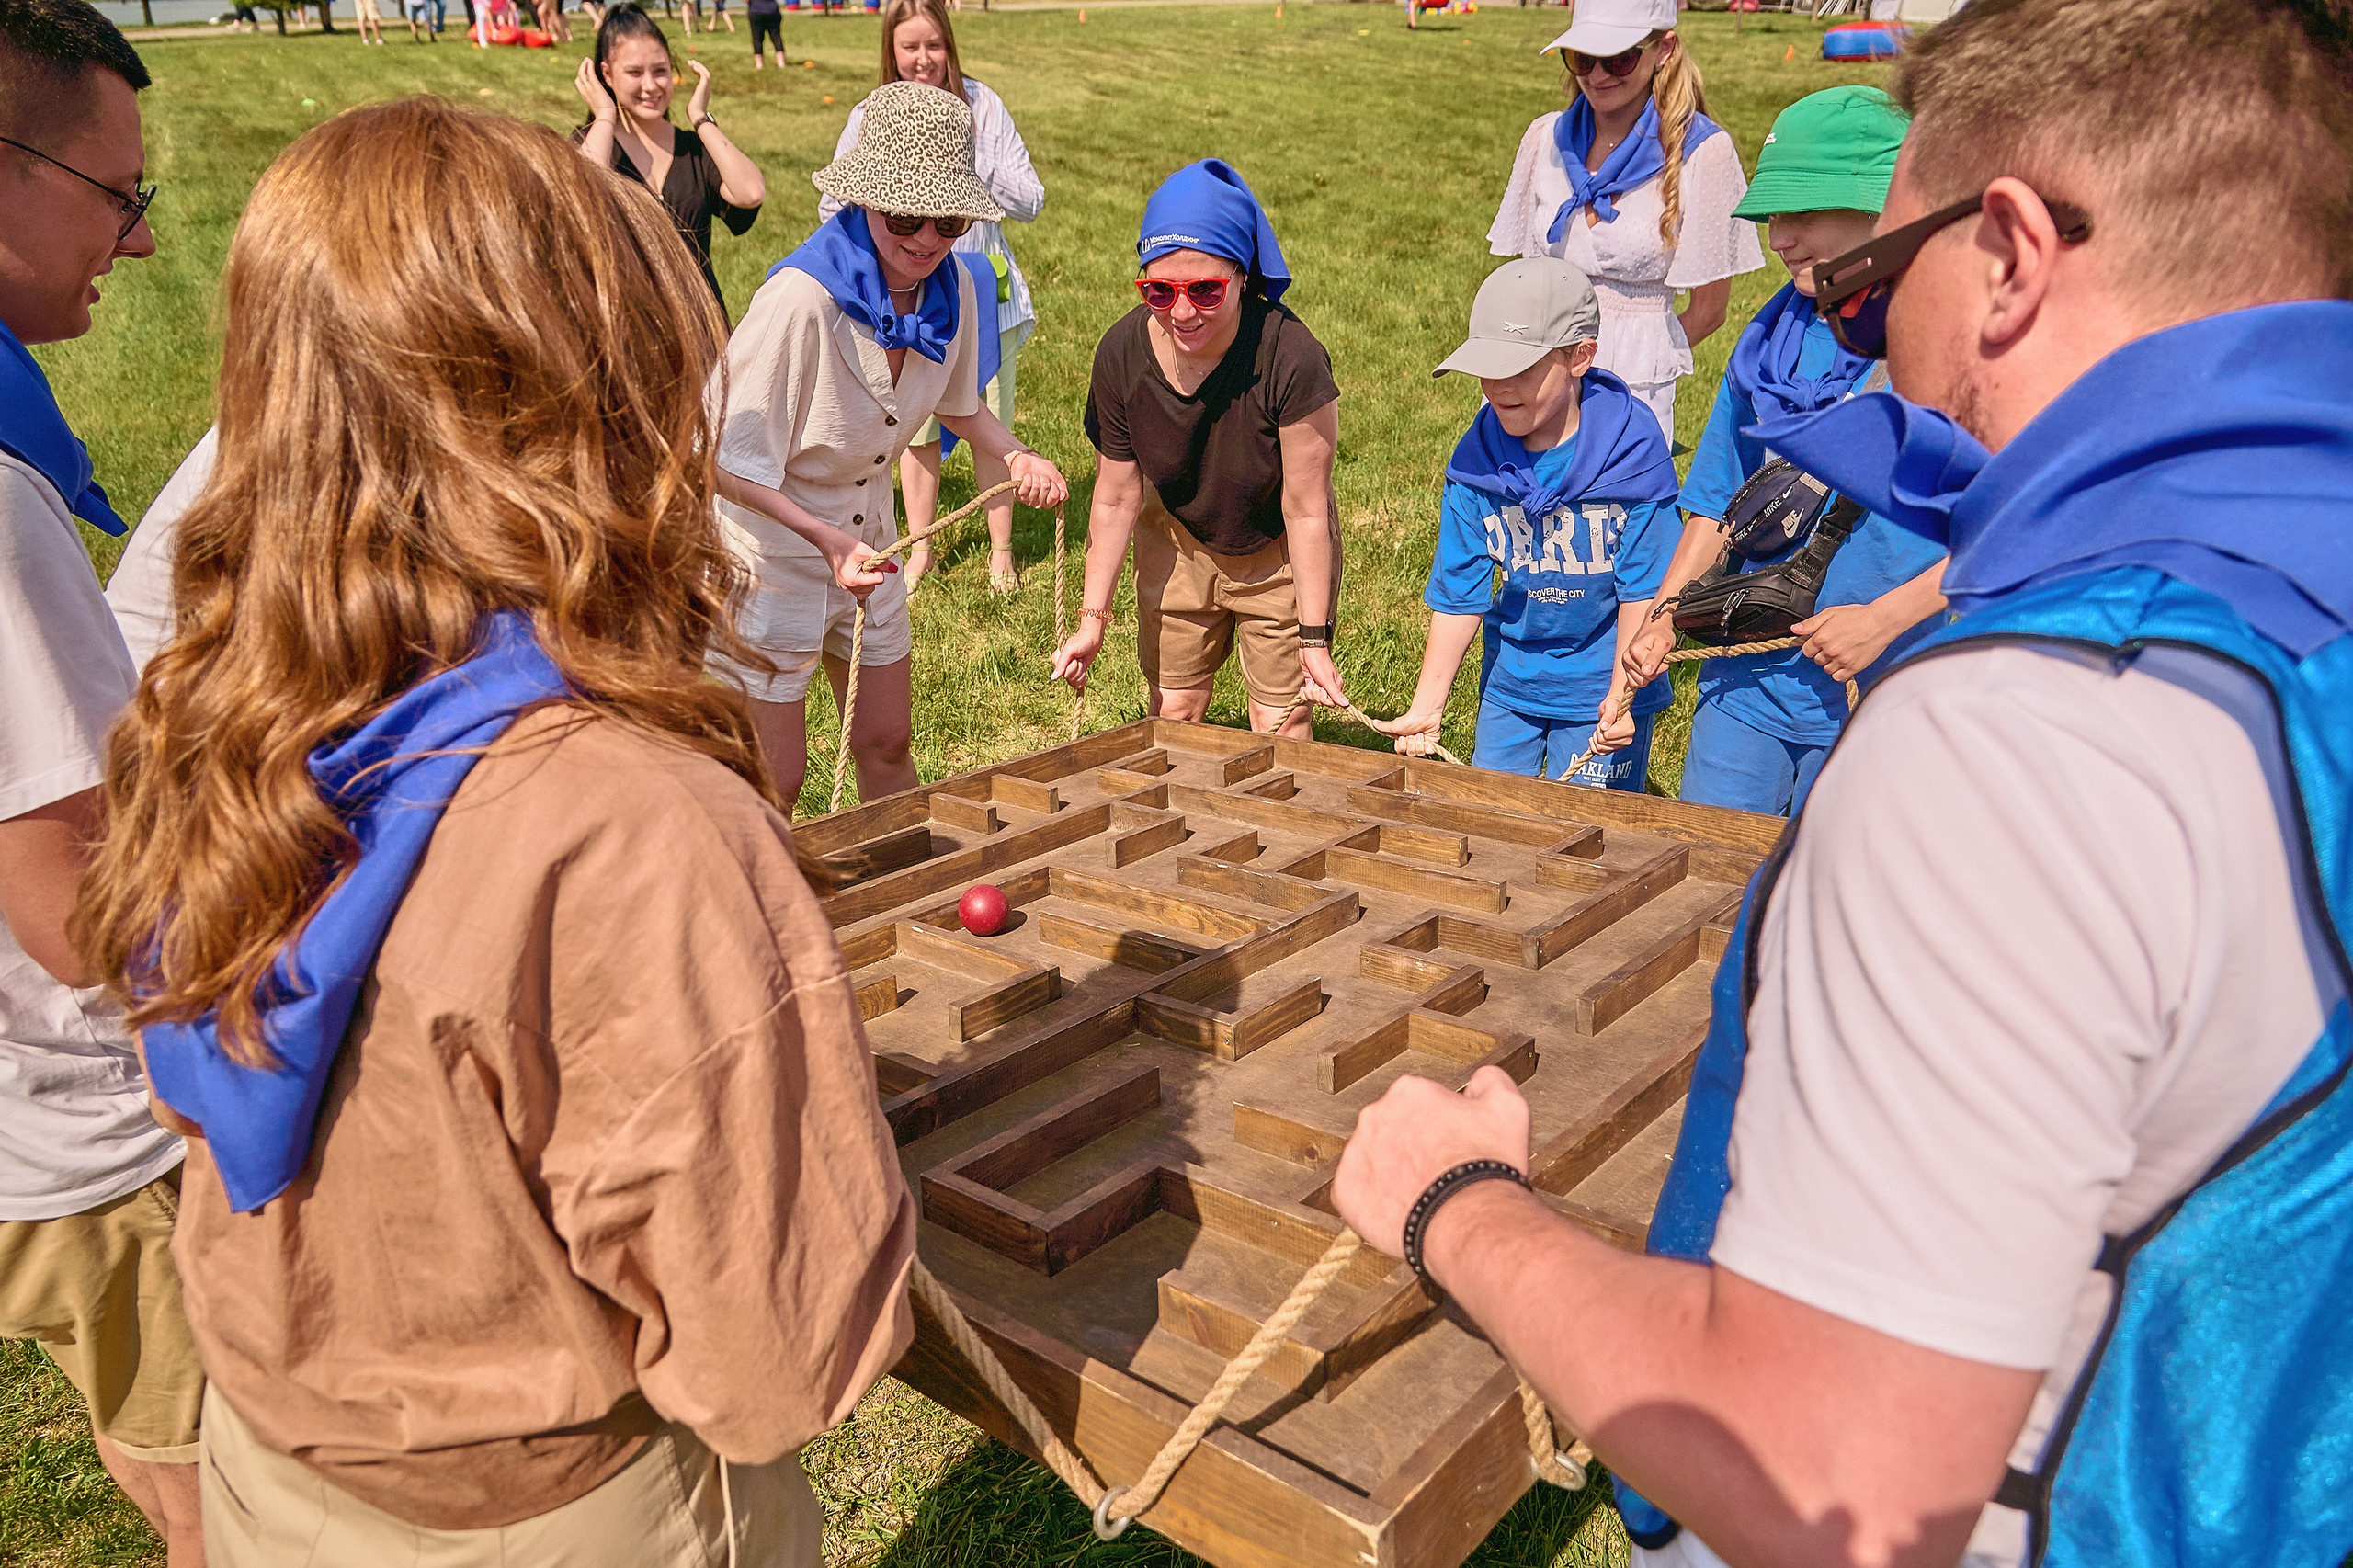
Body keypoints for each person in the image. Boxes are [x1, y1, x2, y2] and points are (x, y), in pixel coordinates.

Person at [1330, 3, 2353, 1567]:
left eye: (1880, 283)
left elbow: (1839, 1477)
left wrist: (1458, 1205)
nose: (1869, 340)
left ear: (2006, 251)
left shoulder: (2037, 732)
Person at [74, 98, 915, 1567]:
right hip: (564, 1516)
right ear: (595, 410)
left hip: (273, 1461)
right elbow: (777, 1358)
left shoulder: (207, 710)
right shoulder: (635, 834)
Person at [0, 3, 201, 1562]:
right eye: (115, 196)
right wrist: (240, 1043)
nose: (136, 248)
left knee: (142, 1425)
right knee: (220, 1469)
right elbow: (63, 888)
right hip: (92, 1110)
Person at [715, 81, 1066, 808]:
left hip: (868, 539)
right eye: (906, 216)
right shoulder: (799, 302)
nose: (926, 240)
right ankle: (772, 914)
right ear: (865, 201)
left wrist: (1019, 453)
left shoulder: (958, 288)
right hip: (772, 543)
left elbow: (960, 408)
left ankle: (904, 890)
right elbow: (720, 460)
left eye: (947, 221)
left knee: (887, 742)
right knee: (776, 777)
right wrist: (820, 539)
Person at [1626, 85, 1949, 815]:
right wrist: (1665, 615)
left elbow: (2009, 541)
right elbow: (1714, 503)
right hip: (1745, 687)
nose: (1779, 238)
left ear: (1884, 208)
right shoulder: (1765, 341)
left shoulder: (1954, 353)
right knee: (1708, 876)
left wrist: (1883, 621)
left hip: (1887, 691)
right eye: (1774, 215)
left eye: (1803, 212)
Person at [1051, 160, 1346, 739]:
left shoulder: (1291, 357)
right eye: (1159, 291)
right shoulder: (1121, 354)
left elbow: (1307, 509)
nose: (1182, 312)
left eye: (1206, 290)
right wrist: (1092, 621)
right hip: (1176, 542)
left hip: (1276, 553)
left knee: (1280, 727)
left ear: (1241, 276)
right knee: (1174, 716)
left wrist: (1313, 639)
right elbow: (1114, 499)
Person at [1369, 258, 1677, 788]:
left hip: (1604, 688)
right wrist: (1428, 704)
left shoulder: (1635, 456)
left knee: (1590, 841)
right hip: (1511, 684)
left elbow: (1643, 590)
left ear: (1580, 356)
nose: (1500, 388)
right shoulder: (1475, 462)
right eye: (1489, 370)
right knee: (1495, 821)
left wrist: (1621, 698)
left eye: (1522, 370)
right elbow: (1458, 591)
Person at [819, 0, 1042, 596]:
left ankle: (1000, 552)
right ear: (890, 49)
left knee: (986, 412)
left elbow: (1031, 200)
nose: (922, 59)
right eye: (909, 46)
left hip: (981, 286)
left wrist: (963, 172)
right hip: (902, 294)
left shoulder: (983, 105)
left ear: (951, 45)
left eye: (934, 45)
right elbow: (832, 202)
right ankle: (918, 548)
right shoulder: (875, 113)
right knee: (916, 430)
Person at [1488, 0, 1764, 438]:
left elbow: (1710, 311)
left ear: (1665, 48)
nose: (1597, 76)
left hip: (1636, 382)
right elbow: (1524, 280)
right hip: (1535, 373)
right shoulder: (1544, 139)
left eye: (1620, 58)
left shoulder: (1703, 153)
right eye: (1582, 58)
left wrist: (1640, 353)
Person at [573, 3, 765, 316]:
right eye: (634, 72)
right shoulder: (592, 144)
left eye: (660, 71)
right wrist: (604, 115)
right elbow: (578, 202)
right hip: (630, 334)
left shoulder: (691, 148)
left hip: (704, 332)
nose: (651, 86)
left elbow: (750, 193)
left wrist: (701, 119)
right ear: (606, 73)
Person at [748, 0, 780, 66]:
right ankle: (781, 63)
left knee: (757, 38)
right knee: (776, 37)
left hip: (756, 10)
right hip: (773, 10)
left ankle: (759, 65)